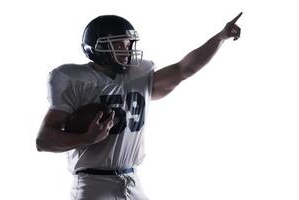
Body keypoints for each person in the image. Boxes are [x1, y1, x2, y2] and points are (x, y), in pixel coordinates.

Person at [36, 13, 242, 200]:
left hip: (131, 179)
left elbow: (183, 69)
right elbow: (43, 140)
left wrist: (220, 37)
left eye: (128, 45)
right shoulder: (74, 79)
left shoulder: (138, 76)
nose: (128, 51)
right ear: (98, 47)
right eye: (120, 45)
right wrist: (85, 138)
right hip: (93, 184)